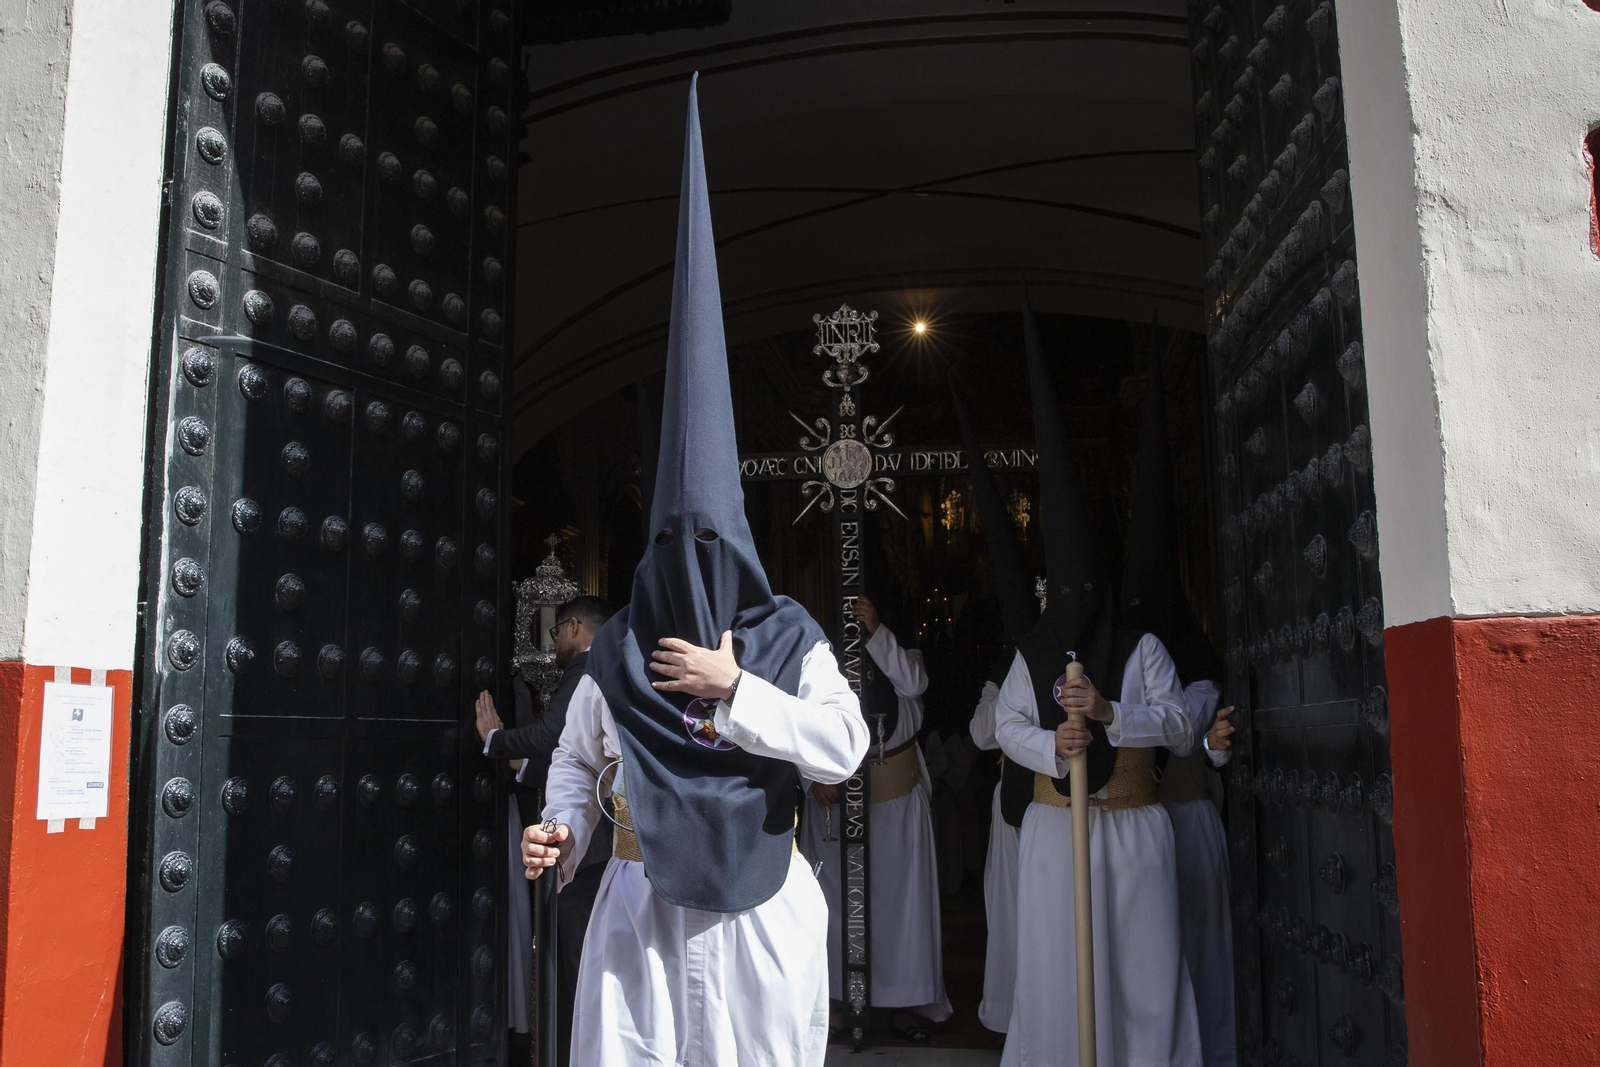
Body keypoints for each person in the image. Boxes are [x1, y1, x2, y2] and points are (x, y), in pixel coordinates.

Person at [519, 74, 870, 1067]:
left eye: (709, 546)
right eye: (671, 549)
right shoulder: (622, 646)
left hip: (759, 914)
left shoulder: (788, 637)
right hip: (637, 919)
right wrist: (562, 833)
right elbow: (580, 764)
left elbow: (842, 746)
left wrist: (738, 690)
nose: (690, 568)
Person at [996, 291, 1202, 1067]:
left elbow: (1180, 721)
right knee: (1059, 971)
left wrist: (1115, 711)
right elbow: (1009, 726)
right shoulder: (1035, 652)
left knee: (1142, 972)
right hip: (1056, 829)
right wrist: (1056, 742)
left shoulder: (1142, 645)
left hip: (1135, 827)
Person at [1120, 340, 1237, 1067]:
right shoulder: (1130, 655)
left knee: (1202, 947)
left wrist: (1213, 742)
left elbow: (1202, 738)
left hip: (1188, 819)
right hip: (1139, 825)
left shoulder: (1193, 667)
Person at [799, 594, 952, 1043]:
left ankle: (904, 1002)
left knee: (899, 905)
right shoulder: (815, 657)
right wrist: (810, 778)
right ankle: (838, 1004)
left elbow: (914, 685)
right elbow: (794, 716)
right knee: (833, 905)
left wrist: (877, 632)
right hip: (833, 798)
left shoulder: (904, 654)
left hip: (896, 797)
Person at [474, 594, 615, 1067]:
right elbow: (572, 759)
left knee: (579, 960)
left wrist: (496, 741)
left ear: (573, 627)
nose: (554, 643)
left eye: (556, 632)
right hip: (584, 840)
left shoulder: (591, 670)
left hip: (600, 850)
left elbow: (553, 736)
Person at [952, 382, 1041, 1035]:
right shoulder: (1006, 662)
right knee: (1010, 909)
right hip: (1014, 802)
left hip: (1058, 803)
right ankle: (1014, 1011)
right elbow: (985, 735)